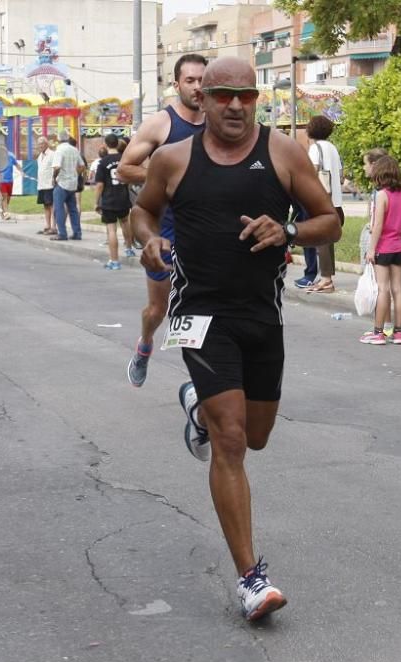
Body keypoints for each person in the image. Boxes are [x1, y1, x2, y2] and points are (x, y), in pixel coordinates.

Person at [131, 56, 341, 622]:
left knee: (257, 435)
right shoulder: (173, 159)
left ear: (256, 99)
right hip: (196, 312)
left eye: (244, 96)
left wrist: (289, 229)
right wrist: (147, 241)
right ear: (203, 100)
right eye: (221, 95)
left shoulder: (283, 154)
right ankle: (252, 578)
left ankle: (199, 409)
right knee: (230, 442)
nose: (233, 106)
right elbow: (143, 213)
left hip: (261, 316)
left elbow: (331, 220)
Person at [118, 53, 207, 388]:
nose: (198, 87)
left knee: (202, 309)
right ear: (176, 84)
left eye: (203, 80)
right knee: (158, 310)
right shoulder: (161, 124)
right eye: (191, 80)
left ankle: (205, 384)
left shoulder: (219, 122)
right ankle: (144, 346)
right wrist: (165, 178)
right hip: (165, 231)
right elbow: (125, 169)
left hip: (205, 234)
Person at [361, 155, 401, 345]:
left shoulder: (382, 195)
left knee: (383, 289)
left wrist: (371, 249)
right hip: (398, 247)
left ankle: (378, 332)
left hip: (383, 247)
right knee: (398, 289)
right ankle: (398, 332)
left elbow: (378, 224)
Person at [304, 115, 344, 294]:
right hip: (337, 201)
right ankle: (326, 277)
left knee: (322, 241)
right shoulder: (333, 148)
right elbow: (341, 175)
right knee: (327, 241)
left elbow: (311, 174)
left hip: (323, 200)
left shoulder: (315, 148)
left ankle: (326, 280)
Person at [95, 133, 133, 269]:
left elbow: (99, 185)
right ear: (117, 144)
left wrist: (96, 202)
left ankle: (114, 261)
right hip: (123, 197)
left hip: (109, 200)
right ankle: (129, 248)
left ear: (105, 144)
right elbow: (129, 178)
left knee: (111, 229)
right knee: (125, 223)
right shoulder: (124, 159)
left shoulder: (103, 162)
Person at [51, 130, 85, 241]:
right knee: (73, 209)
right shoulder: (74, 149)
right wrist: (75, 174)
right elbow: (82, 166)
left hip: (62, 183)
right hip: (73, 183)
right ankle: (77, 232)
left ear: (58, 139)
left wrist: (54, 178)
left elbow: (57, 167)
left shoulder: (59, 150)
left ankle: (62, 233)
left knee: (59, 208)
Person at [360, 147, 389, 265]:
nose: (364, 167)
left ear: (373, 165)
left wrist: (371, 248)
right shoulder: (385, 188)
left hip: (378, 240)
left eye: (365, 164)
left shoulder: (381, 192)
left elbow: (377, 222)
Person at [35, 137, 56, 235]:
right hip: (41, 185)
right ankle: (47, 226)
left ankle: (54, 227)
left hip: (49, 185)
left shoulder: (52, 154)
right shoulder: (40, 156)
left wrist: (54, 179)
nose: (40, 146)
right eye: (39, 144)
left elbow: (55, 168)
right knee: (45, 205)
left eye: (42, 144)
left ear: (46, 144)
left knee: (52, 205)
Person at [0, 150, 19, 219]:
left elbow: (17, 164)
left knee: (8, 198)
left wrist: (21, 171)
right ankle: (6, 213)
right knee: (4, 197)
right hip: (2, 181)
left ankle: (3, 211)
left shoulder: (11, 156)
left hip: (10, 181)